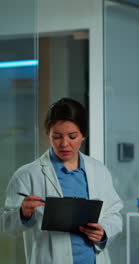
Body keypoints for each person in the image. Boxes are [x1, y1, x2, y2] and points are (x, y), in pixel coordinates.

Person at [0, 98, 123, 264]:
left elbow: (114, 214)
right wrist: (22, 214)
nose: (64, 144)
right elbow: (6, 224)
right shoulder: (28, 175)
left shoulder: (99, 171)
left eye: (72, 136)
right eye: (57, 136)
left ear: (83, 135)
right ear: (48, 134)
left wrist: (103, 233)